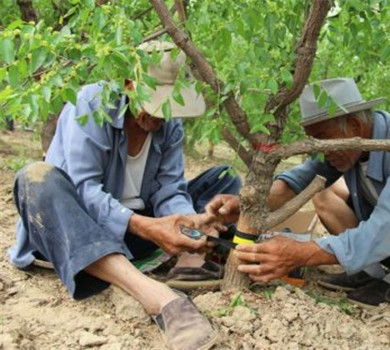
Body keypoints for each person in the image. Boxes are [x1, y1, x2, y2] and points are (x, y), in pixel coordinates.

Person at [7, 41, 241, 350]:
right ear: (130, 86)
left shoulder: (168, 125)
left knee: (224, 177)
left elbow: (170, 188)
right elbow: (84, 189)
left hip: (138, 229)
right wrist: (143, 225)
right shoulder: (92, 103)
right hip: (77, 233)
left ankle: (202, 250)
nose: (159, 117)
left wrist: (188, 219)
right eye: (154, 105)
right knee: (36, 177)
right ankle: (157, 297)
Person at [206, 77, 390, 307]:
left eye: (322, 138)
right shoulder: (343, 147)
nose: (317, 148)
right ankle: (372, 272)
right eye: (312, 140)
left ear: (354, 126)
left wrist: (304, 253)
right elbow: (295, 183)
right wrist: (243, 205)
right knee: (320, 190)